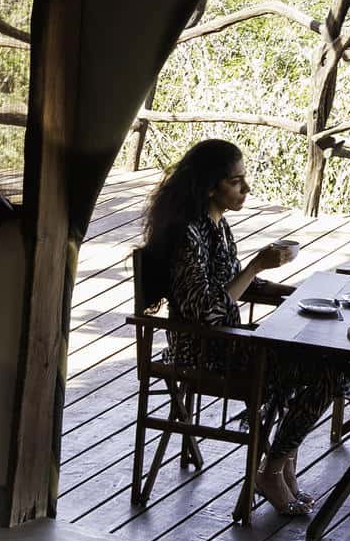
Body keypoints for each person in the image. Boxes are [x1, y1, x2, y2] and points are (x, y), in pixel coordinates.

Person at [139, 139, 338, 520]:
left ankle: (281, 465)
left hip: (228, 343)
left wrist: (294, 293)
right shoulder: (188, 235)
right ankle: (272, 471)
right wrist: (255, 266)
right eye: (235, 181)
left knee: (325, 360)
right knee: (327, 372)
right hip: (203, 351)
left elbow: (235, 285)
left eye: (244, 179)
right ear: (210, 187)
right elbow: (207, 312)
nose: (246, 188)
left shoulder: (217, 225)